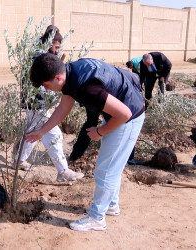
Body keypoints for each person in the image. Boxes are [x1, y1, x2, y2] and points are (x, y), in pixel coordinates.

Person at [27, 53, 145, 231]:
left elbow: (124, 114)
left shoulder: (87, 89)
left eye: (46, 85)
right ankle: (111, 205)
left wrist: (100, 131)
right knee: (111, 166)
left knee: (105, 171)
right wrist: (41, 131)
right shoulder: (71, 73)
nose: (47, 89)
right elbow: (64, 107)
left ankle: (97, 218)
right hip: (120, 112)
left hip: (128, 118)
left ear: (57, 77)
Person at [15, 25, 84, 182]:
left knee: (34, 131)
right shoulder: (39, 57)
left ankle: (19, 160)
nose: (57, 50)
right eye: (56, 47)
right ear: (49, 42)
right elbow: (38, 83)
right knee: (54, 135)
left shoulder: (42, 54)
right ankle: (63, 172)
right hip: (37, 102)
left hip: (36, 103)